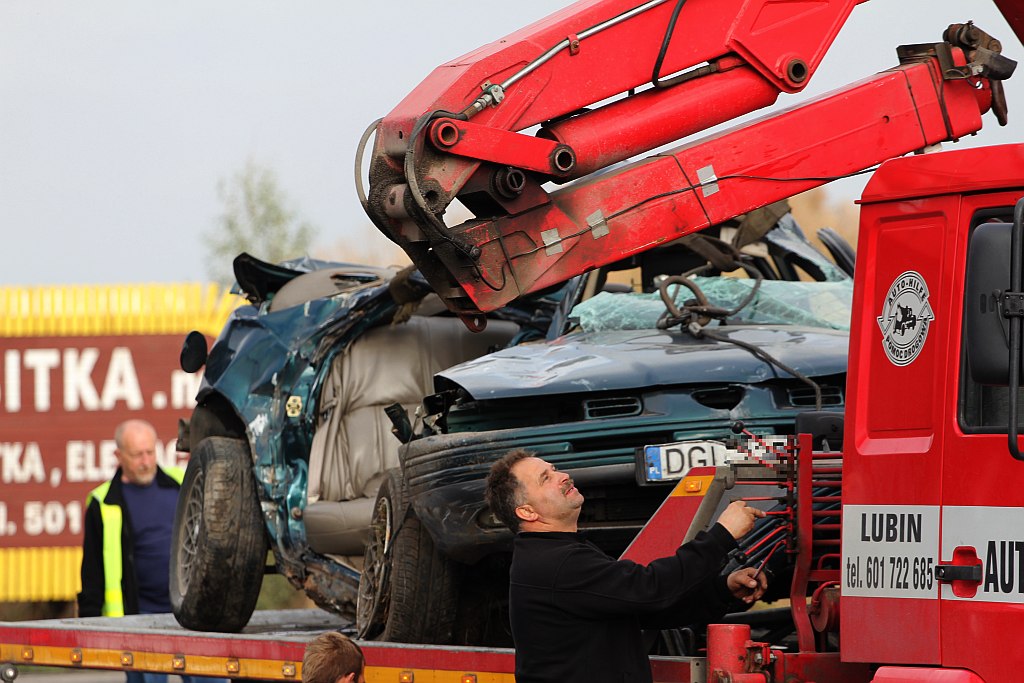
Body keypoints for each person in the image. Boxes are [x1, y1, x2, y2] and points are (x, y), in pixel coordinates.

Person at [484, 449, 768, 683]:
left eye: (555, 468)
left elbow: (639, 608)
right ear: (527, 512)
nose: (563, 476)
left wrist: (722, 589)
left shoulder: (557, 554)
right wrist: (721, 535)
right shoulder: (556, 562)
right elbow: (650, 589)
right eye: (546, 478)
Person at [78, 419, 208, 683]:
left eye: (150, 452)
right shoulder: (103, 502)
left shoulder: (181, 483)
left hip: (192, 613)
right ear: (119, 455)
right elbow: (92, 569)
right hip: (141, 618)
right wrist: (90, 623)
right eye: (137, 454)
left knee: (208, 679)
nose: (146, 461)